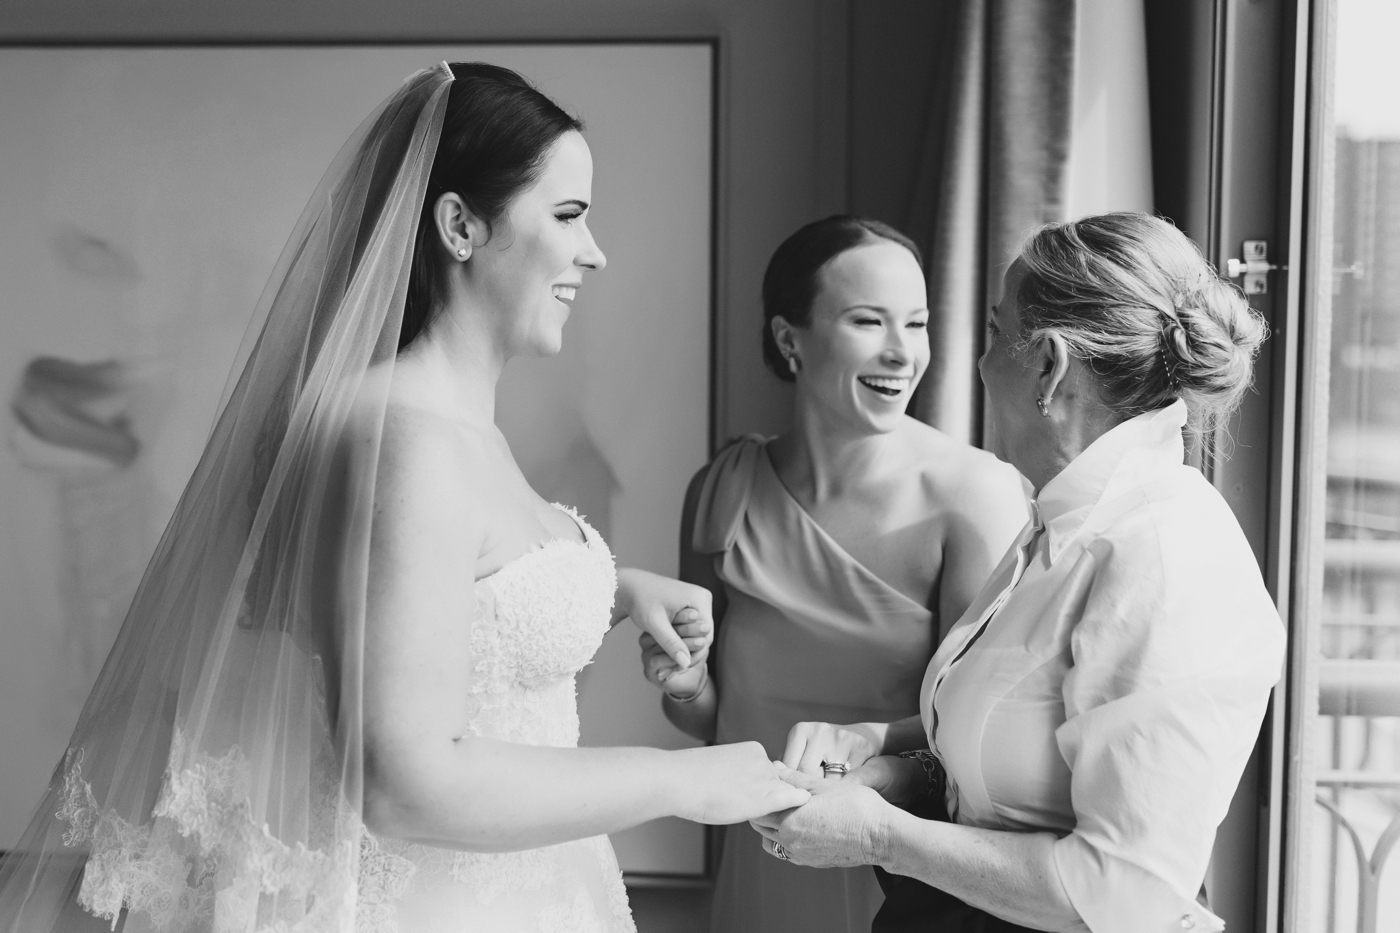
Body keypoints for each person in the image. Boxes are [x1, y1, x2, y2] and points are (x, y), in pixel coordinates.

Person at [0, 62, 808, 933]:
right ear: (460, 224)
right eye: (569, 215)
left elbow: (449, 599)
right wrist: (685, 779)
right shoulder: (407, 440)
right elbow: (405, 781)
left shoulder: (442, 425)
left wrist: (616, 591)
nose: (594, 250)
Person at [751, 212, 1286, 933]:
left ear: (1049, 367)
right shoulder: (1061, 520)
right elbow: (1017, 759)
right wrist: (884, 752)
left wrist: (879, 833)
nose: (977, 361)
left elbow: (1120, 894)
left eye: (997, 333)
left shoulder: (1163, 557)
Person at [637, 216, 1027, 933]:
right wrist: (688, 685)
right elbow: (706, 718)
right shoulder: (721, 489)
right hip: (757, 861)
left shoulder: (975, 498)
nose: (902, 352)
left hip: (897, 870)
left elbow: (984, 729)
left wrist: (869, 744)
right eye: (867, 320)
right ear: (791, 340)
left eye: (916, 322)